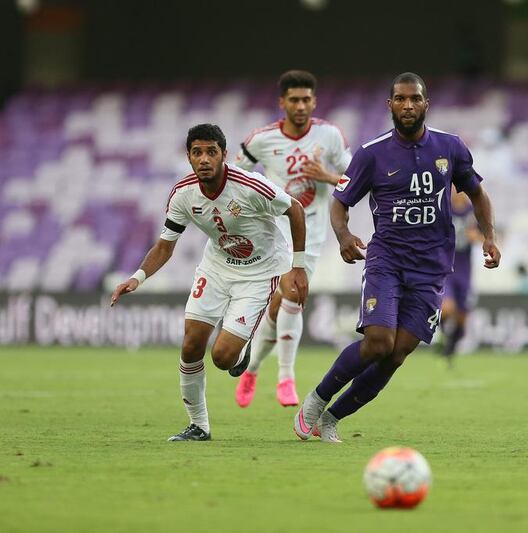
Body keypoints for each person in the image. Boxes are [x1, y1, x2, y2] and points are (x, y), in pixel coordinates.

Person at [293, 72, 501, 443]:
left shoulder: (450, 147)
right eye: (400, 99)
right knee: (378, 342)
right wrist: (343, 236)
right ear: (390, 104)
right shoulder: (372, 153)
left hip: (432, 267)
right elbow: (340, 201)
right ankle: (316, 399)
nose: (408, 105)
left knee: (397, 354)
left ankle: (331, 419)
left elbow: (478, 194)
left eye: (415, 99)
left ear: (426, 103)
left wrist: (490, 236)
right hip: (387, 260)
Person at [110, 124, 308, 441]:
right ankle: (198, 426)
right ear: (189, 157)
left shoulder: (250, 186)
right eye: (197, 152)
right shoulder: (183, 194)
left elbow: (295, 210)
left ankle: (241, 349)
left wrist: (297, 267)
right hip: (216, 267)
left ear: (224, 155)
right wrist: (137, 278)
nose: (204, 159)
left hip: (259, 272)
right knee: (190, 344)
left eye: (211, 152)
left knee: (222, 357)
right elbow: (164, 245)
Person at [233, 70, 352, 408]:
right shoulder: (261, 140)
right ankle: (286, 377)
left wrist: (325, 175)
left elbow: (357, 179)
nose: (300, 106)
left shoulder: (329, 136)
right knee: (294, 294)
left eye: (306, 100)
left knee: (282, 302)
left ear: (314, 102)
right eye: (294, 100)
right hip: (277, 229)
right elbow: (237, 177)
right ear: (282, 102)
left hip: (313, 232)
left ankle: (252, 368)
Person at [439, 187, 482, 364]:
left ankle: (449, 350)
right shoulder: (443, 207)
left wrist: (476, 237)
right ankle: (441, 334)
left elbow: (483, 235)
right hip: (446, 268)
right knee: (447, 308)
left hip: (465, 270)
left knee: (462, 319)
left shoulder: (473, 210)